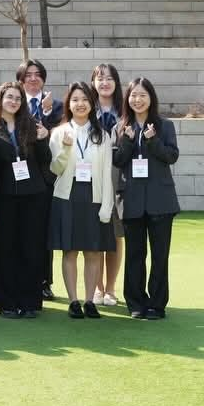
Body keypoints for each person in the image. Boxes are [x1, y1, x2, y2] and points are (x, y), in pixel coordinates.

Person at [48, 82, 117, 320]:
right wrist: (66, 148)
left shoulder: (102, 135)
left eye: (85, 99)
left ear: (92, 104)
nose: (80, 104)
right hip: (67, 196)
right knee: (70, 251)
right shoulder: (58, 133)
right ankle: (73, 301)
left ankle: (89, 300)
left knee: (93, 251)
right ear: (68, 104)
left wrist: (107, 206)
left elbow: (106, 173)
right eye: (75, 99)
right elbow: (55, 169)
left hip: (94, 197)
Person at [113, 77, 180, 320]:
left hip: (160, 200)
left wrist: (152, 140)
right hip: (131, 200)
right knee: (134, 255)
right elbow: (118, 161)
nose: (137, 100)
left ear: (151, 98)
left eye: (142, 95)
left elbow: (171, 156)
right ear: (127, 99)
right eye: (133, 95)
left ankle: (157, 304)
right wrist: (127, 141)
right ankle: (135, 302)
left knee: (160, 256)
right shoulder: (120, 127)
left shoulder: (165, 126)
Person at [0, 81, 52, 319]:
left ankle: (30, 301)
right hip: (5, 197)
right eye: (9, 97)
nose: (13, 101)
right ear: (0, 99)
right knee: (5, 249)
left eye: (18, 98)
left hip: (33, 195)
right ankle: (7, 302)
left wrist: (43, 138)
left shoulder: (32, 125)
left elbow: (45, 159)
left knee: (31, 249)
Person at [18, 57, 61, 299]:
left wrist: (45, 114)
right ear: (21, 79)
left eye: (37, 74)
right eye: (28, 75)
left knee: (43, 230)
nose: (33, 78)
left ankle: (44, 280)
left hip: (44, 177)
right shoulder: (14, 102)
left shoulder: (56, 106)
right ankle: (22, 277)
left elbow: (59, 135)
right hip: (17, 175)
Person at [91, 63, 126, 308]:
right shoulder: (84, 107)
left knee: (115, 234)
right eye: (100, 78)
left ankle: (111, 288)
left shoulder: (125, 111)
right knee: (93, 233)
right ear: (93, 82)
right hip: (90, 176)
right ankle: (96, 287)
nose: (104, 83)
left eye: (109, 78)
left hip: (118, 177)